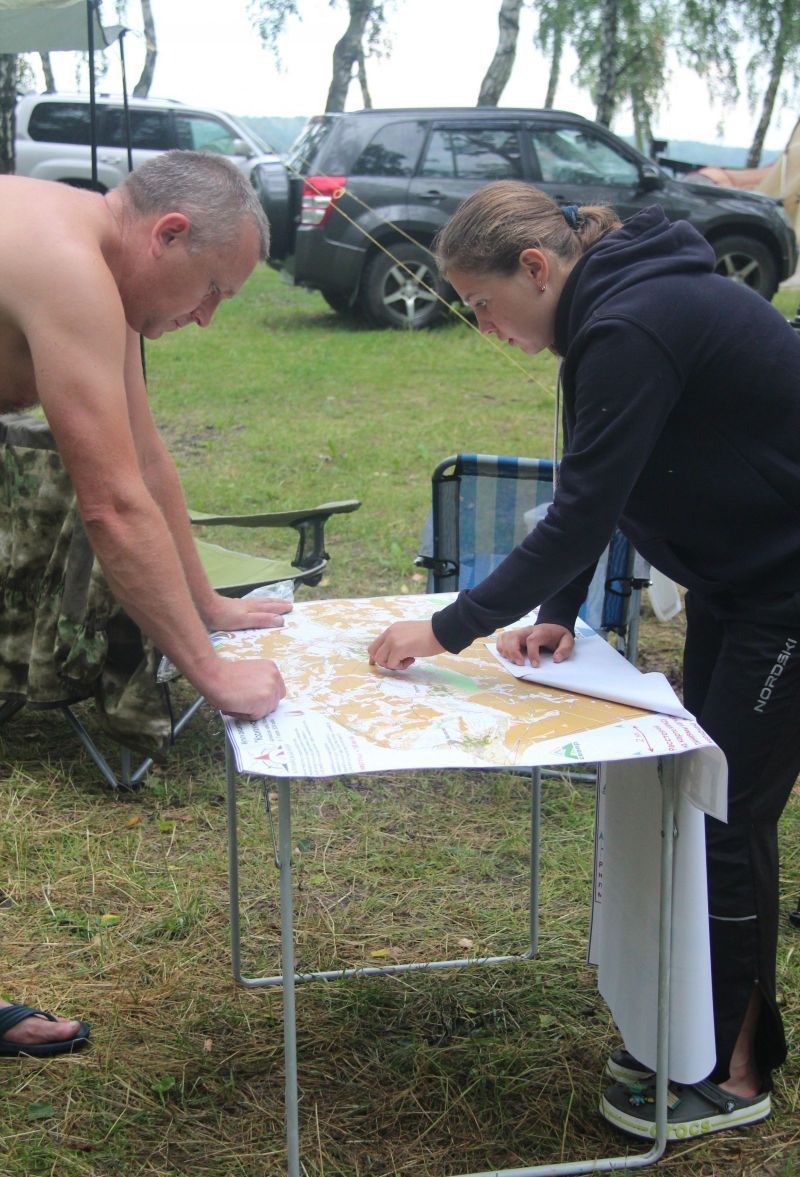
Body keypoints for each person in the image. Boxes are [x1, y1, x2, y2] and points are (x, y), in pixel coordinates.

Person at [368, 180, 800, 1140]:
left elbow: (580, 511)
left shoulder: (631, 323)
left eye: (482, 304)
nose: (484, 327)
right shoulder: (611, 312)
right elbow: (600, 479)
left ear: (535, 267)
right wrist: (558, 609)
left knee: (727, 813)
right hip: (742, 582)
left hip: (786, 590)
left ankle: (734, 1072)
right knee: (705, 799)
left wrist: (448, 628)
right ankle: (703, 1032)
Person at [0, 151, 290, 1056]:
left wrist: (208, 604)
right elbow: (111, 507)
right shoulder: (65, 265)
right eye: (212, 290)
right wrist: (212, 676)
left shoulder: (102, 265)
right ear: (168, 234)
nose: (205, 317)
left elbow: (146, 462)